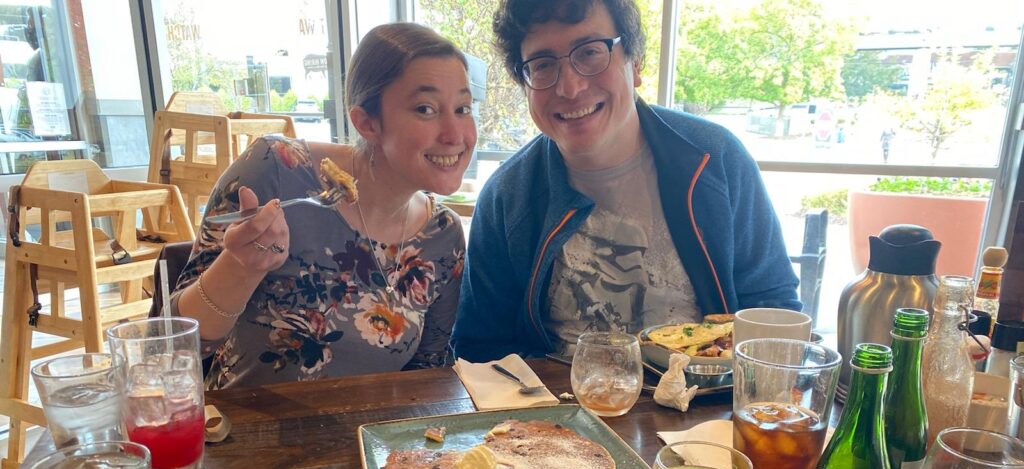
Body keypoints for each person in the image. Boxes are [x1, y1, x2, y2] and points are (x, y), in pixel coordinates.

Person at [452, 0, 800, 362]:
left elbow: (772, 308)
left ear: (635, 64)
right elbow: (481, 347)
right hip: (558, 409)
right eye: (542, 65)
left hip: (706, 409)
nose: (570, 87)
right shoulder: (507, 196)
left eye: (590, 53)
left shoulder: (716, 159)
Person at [172, 23, 476, 388]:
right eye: (426, 109)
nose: (455, 135)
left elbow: (428, 375)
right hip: (247, 436)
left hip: (372, 439)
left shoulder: (442, 235)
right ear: (366, 121)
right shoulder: (277, 171)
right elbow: (175, 347)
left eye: (462, 108)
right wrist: (239, 268)